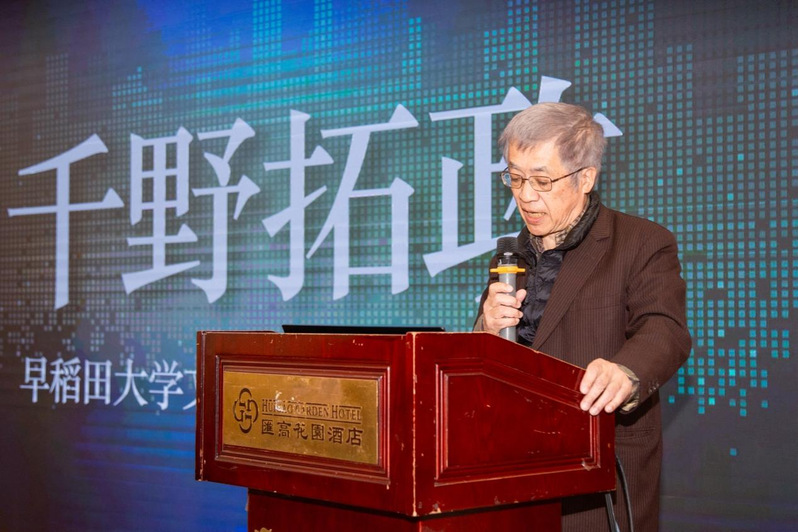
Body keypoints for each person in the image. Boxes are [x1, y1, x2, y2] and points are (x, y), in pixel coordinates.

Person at [474, 102, 691, 531]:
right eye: (515, 178)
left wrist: (625, 371)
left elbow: (664, 328)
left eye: (542, 181)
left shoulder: (640, 242)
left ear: (586, 177)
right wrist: (485, 328)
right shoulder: (508, 258)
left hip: (598, 471)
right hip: (511, 468)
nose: (525, 196)